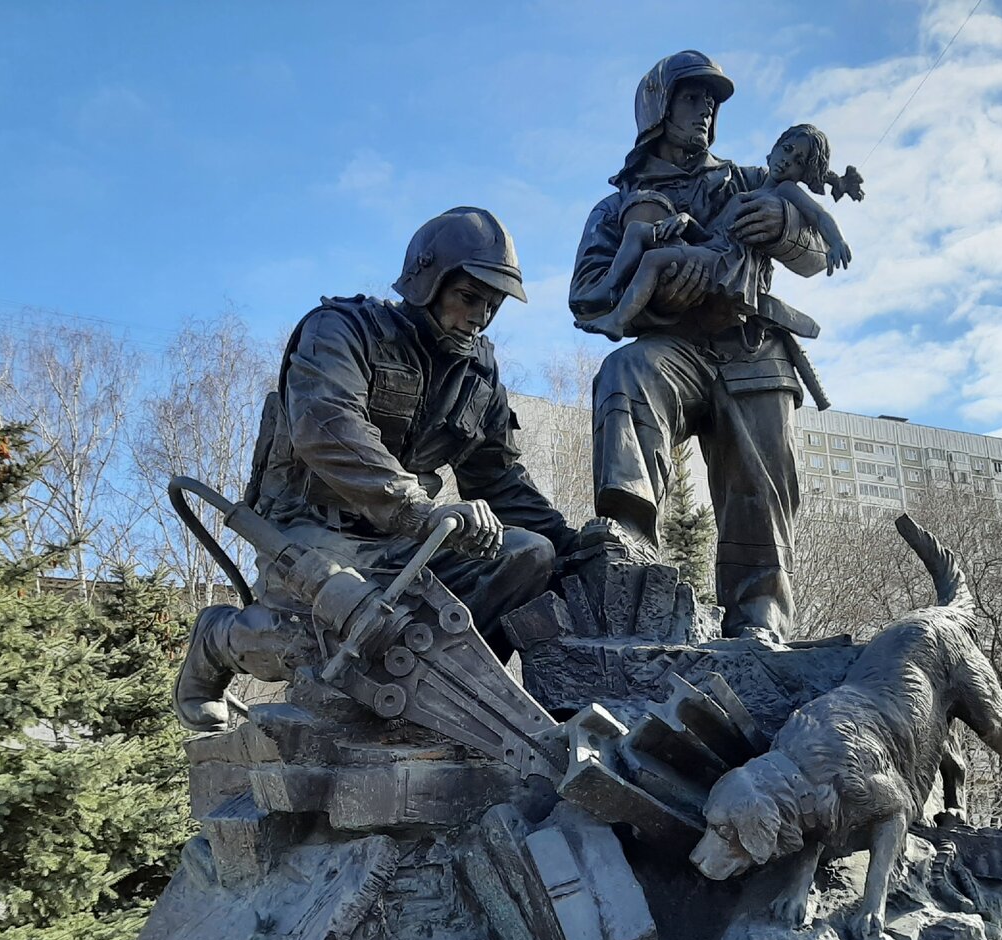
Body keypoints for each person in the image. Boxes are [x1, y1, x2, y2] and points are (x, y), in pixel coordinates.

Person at [174, 207, 575, 733]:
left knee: (529, 555)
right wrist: (418, 509)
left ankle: (445, 703)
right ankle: (219, 639)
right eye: (469, 298)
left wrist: (573, 544)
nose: (480, 317)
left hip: (410, 540)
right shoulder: (342, 329)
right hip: (313, 531)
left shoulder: (480, 374)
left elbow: (496, 476)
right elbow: (328, 428)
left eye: (492, 306)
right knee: (327, 637)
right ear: (427, 281)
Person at [571, 51, 835, 642]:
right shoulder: (616, 208)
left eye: (711, 102)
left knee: (759, 482)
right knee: (626, 372)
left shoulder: (746, 181)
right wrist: (663, 300)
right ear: (658, 107)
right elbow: (587, 297)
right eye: (692, 98)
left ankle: (760, 616)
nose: (706, 110)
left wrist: (784, 228)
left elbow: (816, 259)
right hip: (676, 348)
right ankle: (629, 547)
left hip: (752, 347)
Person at [575, 124, 862, 341]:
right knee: (638, 230)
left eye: (799, 161)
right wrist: (687, 221)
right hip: (711, 247)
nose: (788, 161)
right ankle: (608, 286)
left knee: (653, 259)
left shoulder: (775, 189)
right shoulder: (617, 202)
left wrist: (819, 236)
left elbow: (818, 218)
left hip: (725, 264)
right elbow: (713, 234)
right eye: (787, 150)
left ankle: (617, 321)